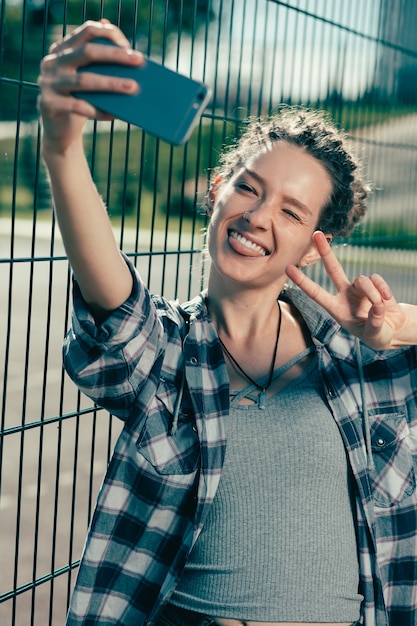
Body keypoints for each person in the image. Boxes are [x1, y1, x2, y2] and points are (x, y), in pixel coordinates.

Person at [37, 19, 417, 626]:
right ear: (217, 191)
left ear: (313, 244)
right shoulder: (168, 355)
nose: (259, 217)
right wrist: (61, 146)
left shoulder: (367, 361)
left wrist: (397, 328)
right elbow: (112, 295)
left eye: (291, 211)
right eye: (249, 189)